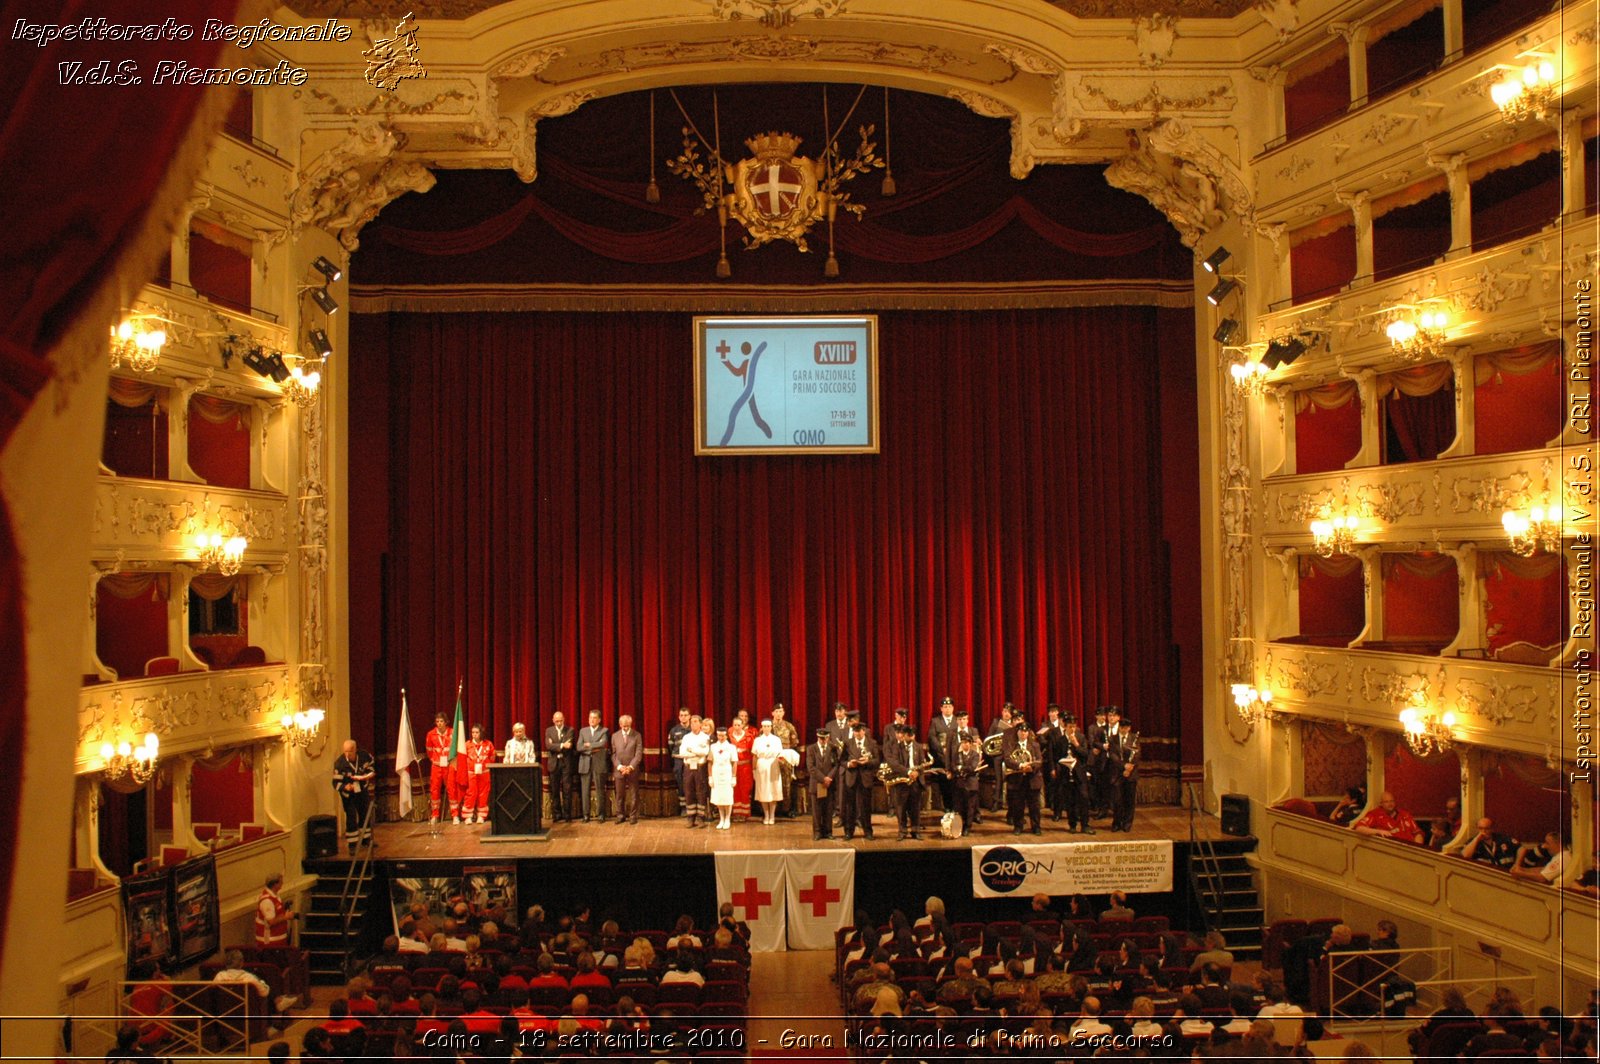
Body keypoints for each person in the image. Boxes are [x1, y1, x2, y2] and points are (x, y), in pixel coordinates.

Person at [213, 948, 282, 1036]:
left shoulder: (219, 977)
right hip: (249, 1013)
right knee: (264, 992)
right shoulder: (249, 978)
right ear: (242, 962)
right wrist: (262, 983)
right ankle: (269, 1025)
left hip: (225, 1013)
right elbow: (265, 993)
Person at [885, 722, 928, 840]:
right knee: (901, 807)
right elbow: (895, 764)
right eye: (909, 735)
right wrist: (909, 772)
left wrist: (917, 773)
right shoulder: (896, 747)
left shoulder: (918, 747)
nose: (912, 737)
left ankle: (915, 831)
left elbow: (922, 764)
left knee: (915, 808)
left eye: (913, 735)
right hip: (901, 782)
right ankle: (902, 831)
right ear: (904, 736)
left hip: (915, 782)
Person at [332, 739, 376, 852]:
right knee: (351, 816)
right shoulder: (340, 763)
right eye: (345, 751)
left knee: (365, 814)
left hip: (361, 790)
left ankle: (366, 839)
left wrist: (367, 775)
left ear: (355, 750)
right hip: (348, 795)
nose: (348, 754)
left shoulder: (364, 756)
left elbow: (372, 765)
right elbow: (335, 783)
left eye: (350, 751)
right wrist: (345, 787)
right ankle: (352, 844)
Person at [842, 721, 879, 840]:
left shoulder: (872, 743)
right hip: (851, 778)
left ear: (864, 731)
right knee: (849, 807)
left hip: (865, 778)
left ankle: (868, 831)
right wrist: (848, 764)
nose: (857, 733)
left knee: (865, 807)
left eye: (859, 731)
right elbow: (841, 761)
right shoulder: (847, 743)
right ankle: (849, 832)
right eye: (855, 731)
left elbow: (877, 761)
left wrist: (867, 762)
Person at [1007, 720, 1044, 835]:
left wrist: (1030, 766)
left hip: (1032, 779)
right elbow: (1008, 760)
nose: (1023, 734)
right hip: (1017, 779)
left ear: (1028, 733)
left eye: (1025, 732)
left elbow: (1039, 761)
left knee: (1034, 806)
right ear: (1017, 732)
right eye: (1021, 731)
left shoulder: (1035, 745)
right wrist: (1019, 765)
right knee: (1018, 805)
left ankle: (1036, 827)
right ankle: (1018, 827)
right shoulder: (1011, 745)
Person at [1105, 706, 1139, 832]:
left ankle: (1127, 823)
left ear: (1129, 728)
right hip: (1117, 774)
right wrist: (1123, 766)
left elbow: (1136, 755)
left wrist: (1129, 768)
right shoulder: (1113, 739)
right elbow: (1113, 755)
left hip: (1131, 774)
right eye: (1121, 728)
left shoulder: (1134, 738)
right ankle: (1116, 822)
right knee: (1117, 800)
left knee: (1129, 800)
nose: (1123, 730)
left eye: (1126, 728)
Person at [1058, 716, 1094, 834]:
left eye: (1074, 726)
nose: (1072, 729)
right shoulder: (1061, 740)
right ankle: (1072, 825)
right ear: (1065, 727)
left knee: (1083, 798)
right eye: (1070, 727)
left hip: (1079, 774)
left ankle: (1085, 825)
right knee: (1070, 801)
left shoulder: (1081, 737)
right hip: (1066, 774)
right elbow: (1057, 756)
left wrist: (1076, 744)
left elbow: (1086, 754)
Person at [425, 712, 460, 824]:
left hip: (449, 765)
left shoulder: (452, 733)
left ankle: (455, 815)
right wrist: (435, 759)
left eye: (441, 721)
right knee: (435, 789)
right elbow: (429, 750)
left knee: (451, 788)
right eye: (437, 721)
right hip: (436, 765)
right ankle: (435, 815)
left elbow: (456, 749)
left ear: (446, 722)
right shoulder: (431, 734)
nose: (439, 724)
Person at [1351, 791, 1423, 844]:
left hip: (1410, 849)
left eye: (1392, 801)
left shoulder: (1405, 814)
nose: (1390, 804)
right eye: (1386, 802)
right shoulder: (1375, 814)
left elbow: (1417, 833)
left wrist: (1417, 847)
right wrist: (1378, 832)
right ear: (1381, 804)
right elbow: (1359, 828)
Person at [928, 696, 961, 814]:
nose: (947, 709)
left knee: (955, 784)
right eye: (945, 707)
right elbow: (932, 738)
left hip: (955, 758)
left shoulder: (958, 721)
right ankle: (947, 806)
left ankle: (956, 806)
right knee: (944, 784)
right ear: (941, 708)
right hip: (940, 757)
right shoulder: (935, 721)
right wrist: (942, 750)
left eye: (950, 707)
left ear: (953, 708)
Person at [576, 710, 610, 822]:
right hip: (585, 763)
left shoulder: (604, 731)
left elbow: (602, 743)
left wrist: (588, 745)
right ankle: (586, 815)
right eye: (590, 717)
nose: (592, 720)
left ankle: (601, 814)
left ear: (599, 720)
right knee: (585, 790)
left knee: (600, 789)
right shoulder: (583, 731)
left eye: (594, 718)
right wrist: (592, 749)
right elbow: (579, 747)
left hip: (598, 763)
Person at [807, 726, 840, 840]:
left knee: (828, 809)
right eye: (821, 738)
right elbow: (811, 767)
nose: (823, 741)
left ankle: (828, 831)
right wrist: (823, 778)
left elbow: (836, 765)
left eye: (825, 738)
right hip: (817, 783)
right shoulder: (811, 749)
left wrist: (829, 778)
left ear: (828, 737)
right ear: (817, 737)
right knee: (817, 810)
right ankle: (817, 832)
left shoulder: (833, 748)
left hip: (829, 784)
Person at [679, 715, 711, 828]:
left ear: (700, 724)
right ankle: (690, 817)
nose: (693, 724)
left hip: (700, 767)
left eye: (695, 722)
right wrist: (695, 753)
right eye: (692, 722)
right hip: (688, 767)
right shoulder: (686, 737)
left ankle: (701, 818)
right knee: (689, 791)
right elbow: (682, 752)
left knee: (700, 791)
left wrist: (692, 750)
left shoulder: (705, 737)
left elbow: (705, 751)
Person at [545, 711, 577, 822]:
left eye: (561, 721)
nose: (559, 723)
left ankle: (567, 815)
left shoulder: (570, 730)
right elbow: (549, 746)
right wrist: (562, 744)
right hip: (554, 764)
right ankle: (557, 815)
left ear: (564, 719)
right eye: (557, 721)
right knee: (555, 790)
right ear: (553, 720)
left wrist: (556, 745)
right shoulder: (549, 730)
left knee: (567, 790)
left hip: (566, 764)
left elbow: (570, 745)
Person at [769, 703, 800, 818]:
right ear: (772, 713)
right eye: (776, 711)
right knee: (772, 783)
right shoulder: (768, 726)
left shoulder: (789, 726)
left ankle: (787, 809)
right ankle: (773, 809)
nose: (778, 714)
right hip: (771, 759)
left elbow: (794, 743)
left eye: (780, 711)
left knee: (787, 784)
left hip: (786, 758)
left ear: (783, 713)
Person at [611, 714, 643, 824]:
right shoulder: (615, 736)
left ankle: (633, 816)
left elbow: (638, 754)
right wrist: (620, 767)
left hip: (632, 770)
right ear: (620, 725)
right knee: (620, 795)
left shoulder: (637, 735)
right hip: (619, 770)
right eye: (624, 726)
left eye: (627, 726)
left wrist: (630, 767)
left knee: (634, 794)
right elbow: (613, 754)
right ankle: (620, 815)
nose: (625, 728)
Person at [751, 718, 784, 825]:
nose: (766, 728)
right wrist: (754, 770)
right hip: (761, 765)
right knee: (763, 790)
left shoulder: (776, 740)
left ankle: (772, 815)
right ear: (762, 727)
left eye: (768, 726)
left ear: (771, 727)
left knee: (773, 789)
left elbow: (780, 754)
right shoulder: (757, 740)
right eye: (764, 726)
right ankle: (766, 815)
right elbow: (755, 756)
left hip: (773, 765)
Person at [952, 729, 983, 836]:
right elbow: (953, 767)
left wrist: (961, 768)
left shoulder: (975, 754)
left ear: (970, 743)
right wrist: (959, 769)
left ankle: (968, 827)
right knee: (959, 807)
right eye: (963, 742)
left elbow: (972, 767)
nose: (964, 744)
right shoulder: (957, 754)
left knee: (970, 807)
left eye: (966, 742)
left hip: (971, 784)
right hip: (959, 784)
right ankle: (960, 825)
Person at [462, 724, 495, 825]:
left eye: (476, 732)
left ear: (481, 733)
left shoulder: (488, 744)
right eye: (473, 732)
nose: (474, 734)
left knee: (483, 794)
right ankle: (468, 816)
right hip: (471, 773)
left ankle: (481, 815)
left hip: (484, 773)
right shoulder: (467, 744)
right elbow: (463, 759)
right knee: (471, 793)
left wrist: (485, 765)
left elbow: (492, 757)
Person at [987, 702, 1017, 812]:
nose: (1006, 714)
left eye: (1008, 712)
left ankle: (1011, 804)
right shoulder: (996, 722)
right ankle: (997, 802)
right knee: (998, 779)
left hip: (1011, 756)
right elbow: (989, 738)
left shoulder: (1015, 723)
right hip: (998, 755)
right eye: (1004, 711)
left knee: (1012, 780)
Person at [709, 726, 738, 830]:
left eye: (723, 735)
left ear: (726, 735)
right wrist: (710, 777)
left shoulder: (731, 747)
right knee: (719, 798)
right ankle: (721, 819)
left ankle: (727, 819)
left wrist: (734, 776)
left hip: (727, 773)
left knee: (727, 798)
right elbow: (710, 762)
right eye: (719, 735)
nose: (721, 737)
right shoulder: (713, 747)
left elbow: (734, 762)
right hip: (716, 772)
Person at [255, 873, 294, 950]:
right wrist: (286, 917)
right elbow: (271, 921)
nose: (282, 883)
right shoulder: (267, 900)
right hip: (270, 942)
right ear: (275, 884)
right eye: (280, 882)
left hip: (278, 940)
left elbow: (277, 913)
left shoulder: (275, 896)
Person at [729, 712, 755, 821]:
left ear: (742, 725)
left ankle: (744, 814)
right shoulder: (729, 735)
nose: (737, 727)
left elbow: (753, 753)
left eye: (739, 725)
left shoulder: (749, 737)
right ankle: (736, 813)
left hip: (745, 767)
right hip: (733, 767)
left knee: (745, 789)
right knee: (734, 790)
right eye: (735, 725)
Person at [666, 707, 692, 815]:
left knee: (691, 783)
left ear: (690, 716)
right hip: (679, 760)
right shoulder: (674, 730)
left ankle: (692, 806)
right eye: (681, 715)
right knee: (681, 783)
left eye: (685, 715)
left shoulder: (693, 729)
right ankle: (683, 807)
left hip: (691, 759)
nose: (683, 717)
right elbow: (670, 746)